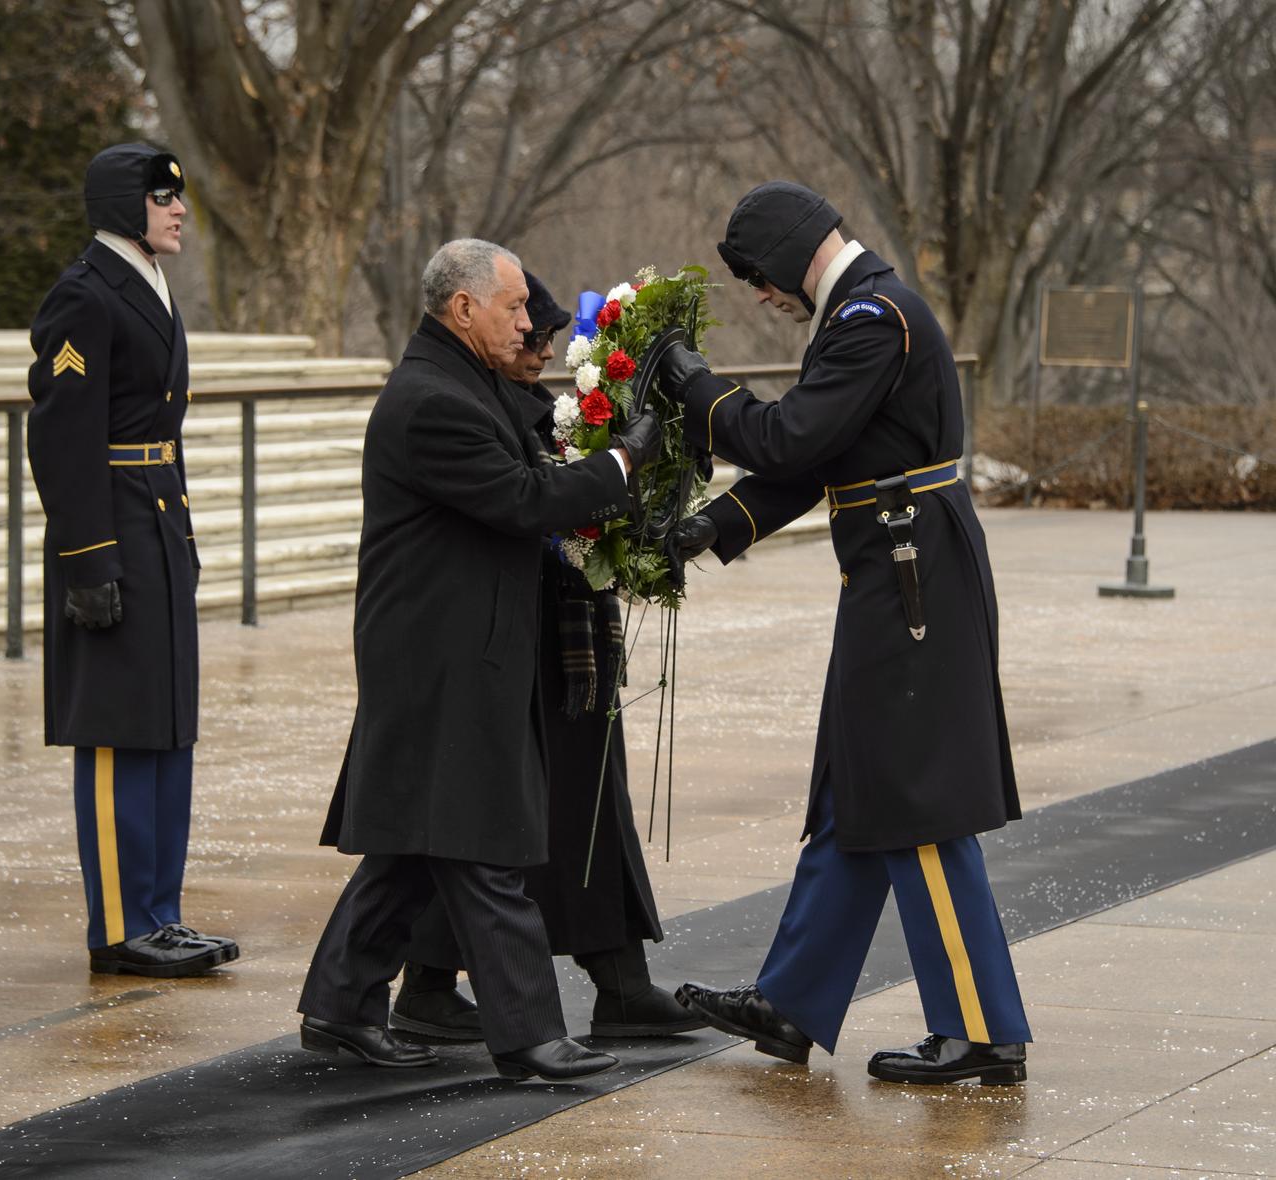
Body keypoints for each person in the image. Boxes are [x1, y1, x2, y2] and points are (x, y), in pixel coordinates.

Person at [659, 181, 1031, 1085]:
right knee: (858, 789)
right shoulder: (864, 316)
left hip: (914, 578)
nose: (760, 295)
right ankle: (792, 1003)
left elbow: (789, 438)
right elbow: (818, 458)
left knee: (917, 801)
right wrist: (716, 526)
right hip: (898, 570)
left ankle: (981, 1031)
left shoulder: (871, 316)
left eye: (758, 277)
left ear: (788, 256)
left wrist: (698, 388)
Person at [296, 240, 663, 1081]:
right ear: (462, 309)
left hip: (451, 646)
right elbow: (522, 500)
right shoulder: (434, 401)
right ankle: (530, 1036)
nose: (529, 320)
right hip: (442, 656)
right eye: (514, 308)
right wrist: (621, 460)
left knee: (414, 845)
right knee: (480, 845)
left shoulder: (455, 383)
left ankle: (341, 1006)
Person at [391, 272, 704, 1042]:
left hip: (551, 644)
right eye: (527, 328)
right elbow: (529, 502)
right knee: (494, 831)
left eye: (549, 334)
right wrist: (615, 471)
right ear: (476, 319)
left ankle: (616, 979)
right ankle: (450, 994)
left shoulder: (520, 404)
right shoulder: (463, 405)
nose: (541, 346)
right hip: (508, 647)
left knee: (578, 807)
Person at [25, 143, 238, 977]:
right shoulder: (84, 294)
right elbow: (63, 435)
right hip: (110, 533)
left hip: (157, 529)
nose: (178, 209)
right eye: (162, 198)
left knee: (166, 727)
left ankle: (161, 911)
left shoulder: (144, 280)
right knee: (118, 733)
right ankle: (119, 925)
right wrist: (87, 562)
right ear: (124, 205)